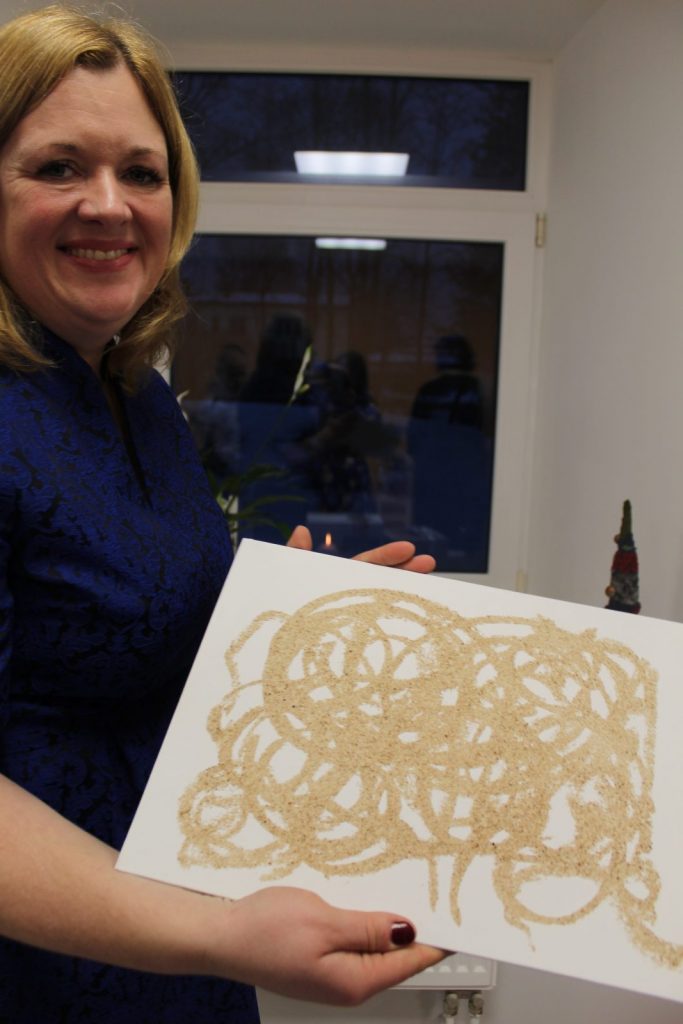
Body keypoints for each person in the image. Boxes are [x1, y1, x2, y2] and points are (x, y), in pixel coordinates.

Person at [0, 6, 444, 1023]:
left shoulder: (135, 392)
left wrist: (286, 625)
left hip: (187, 909)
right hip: (56, 952)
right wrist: (210, 933)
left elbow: (121, 629)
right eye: (58, 167)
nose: (108, 204)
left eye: (141, 172)